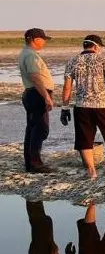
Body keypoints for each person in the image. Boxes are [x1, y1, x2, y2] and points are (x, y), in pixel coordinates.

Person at [60, 34, 105, 179]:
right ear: (96, 46)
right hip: (102, 105)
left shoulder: (72, 61)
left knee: (84, 138)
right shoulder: (103, 59)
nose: (100, 50)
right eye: (100, 47)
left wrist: (64, 107)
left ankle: (92, 170)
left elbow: (67, 87)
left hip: (81, 106)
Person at [19, 28, 56, 173]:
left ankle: (30, 163)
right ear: (34, 39)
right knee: (40, 129)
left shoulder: (27, 53)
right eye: (43, 39)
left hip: (32, 93)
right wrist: (46, 96)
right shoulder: (30, 56)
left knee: (33, 128)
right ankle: (35, 163)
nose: (44, 42)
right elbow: (35, 77)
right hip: (36, 94)